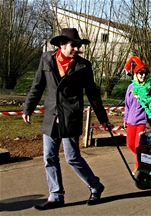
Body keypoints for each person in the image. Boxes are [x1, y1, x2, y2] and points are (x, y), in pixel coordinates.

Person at [22, 28, 109, 209]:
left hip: (71, 116)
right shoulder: (46, 59)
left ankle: (95, 186)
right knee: (49, 157)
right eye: (74, 45)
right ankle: (56, 196)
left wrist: (103, 118)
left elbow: (93, 95)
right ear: (62, 45)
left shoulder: (84, 66)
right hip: (51, 115)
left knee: (72, 157)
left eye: (79, 45)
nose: (77, 49)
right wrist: (28, 108)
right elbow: (37, 86)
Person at [124, 56, 151, 173]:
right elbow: (127, 104)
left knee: (139, 145)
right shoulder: (131, 87)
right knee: (130, 144)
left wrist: (149, 97)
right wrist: (125, 118)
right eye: (140, 73)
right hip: (131, 119)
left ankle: (140, 167)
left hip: (144, 121)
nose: (143, 75)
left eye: (145, 73)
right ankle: (147, 159)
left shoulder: (150, 87)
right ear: (135, 74)